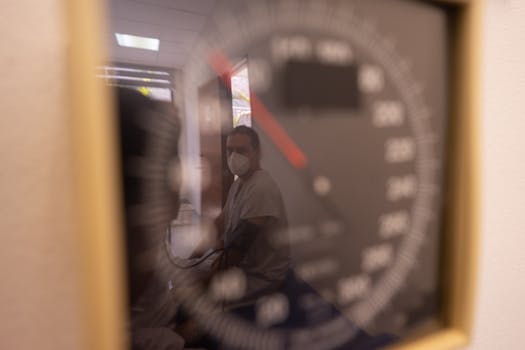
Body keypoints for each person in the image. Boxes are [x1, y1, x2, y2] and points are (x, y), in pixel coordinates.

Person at [192, 125, 290, 310]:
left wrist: (204, 284)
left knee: (197, 304)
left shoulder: (261, 188)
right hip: (243, 268)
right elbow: (220, 223)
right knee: (191, 278)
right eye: (230, 151)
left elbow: (239, 247)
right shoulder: (240, 183)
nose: (234, 157)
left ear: (257, 152)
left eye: (241, 150)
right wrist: (191, 258)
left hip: (261, 277)